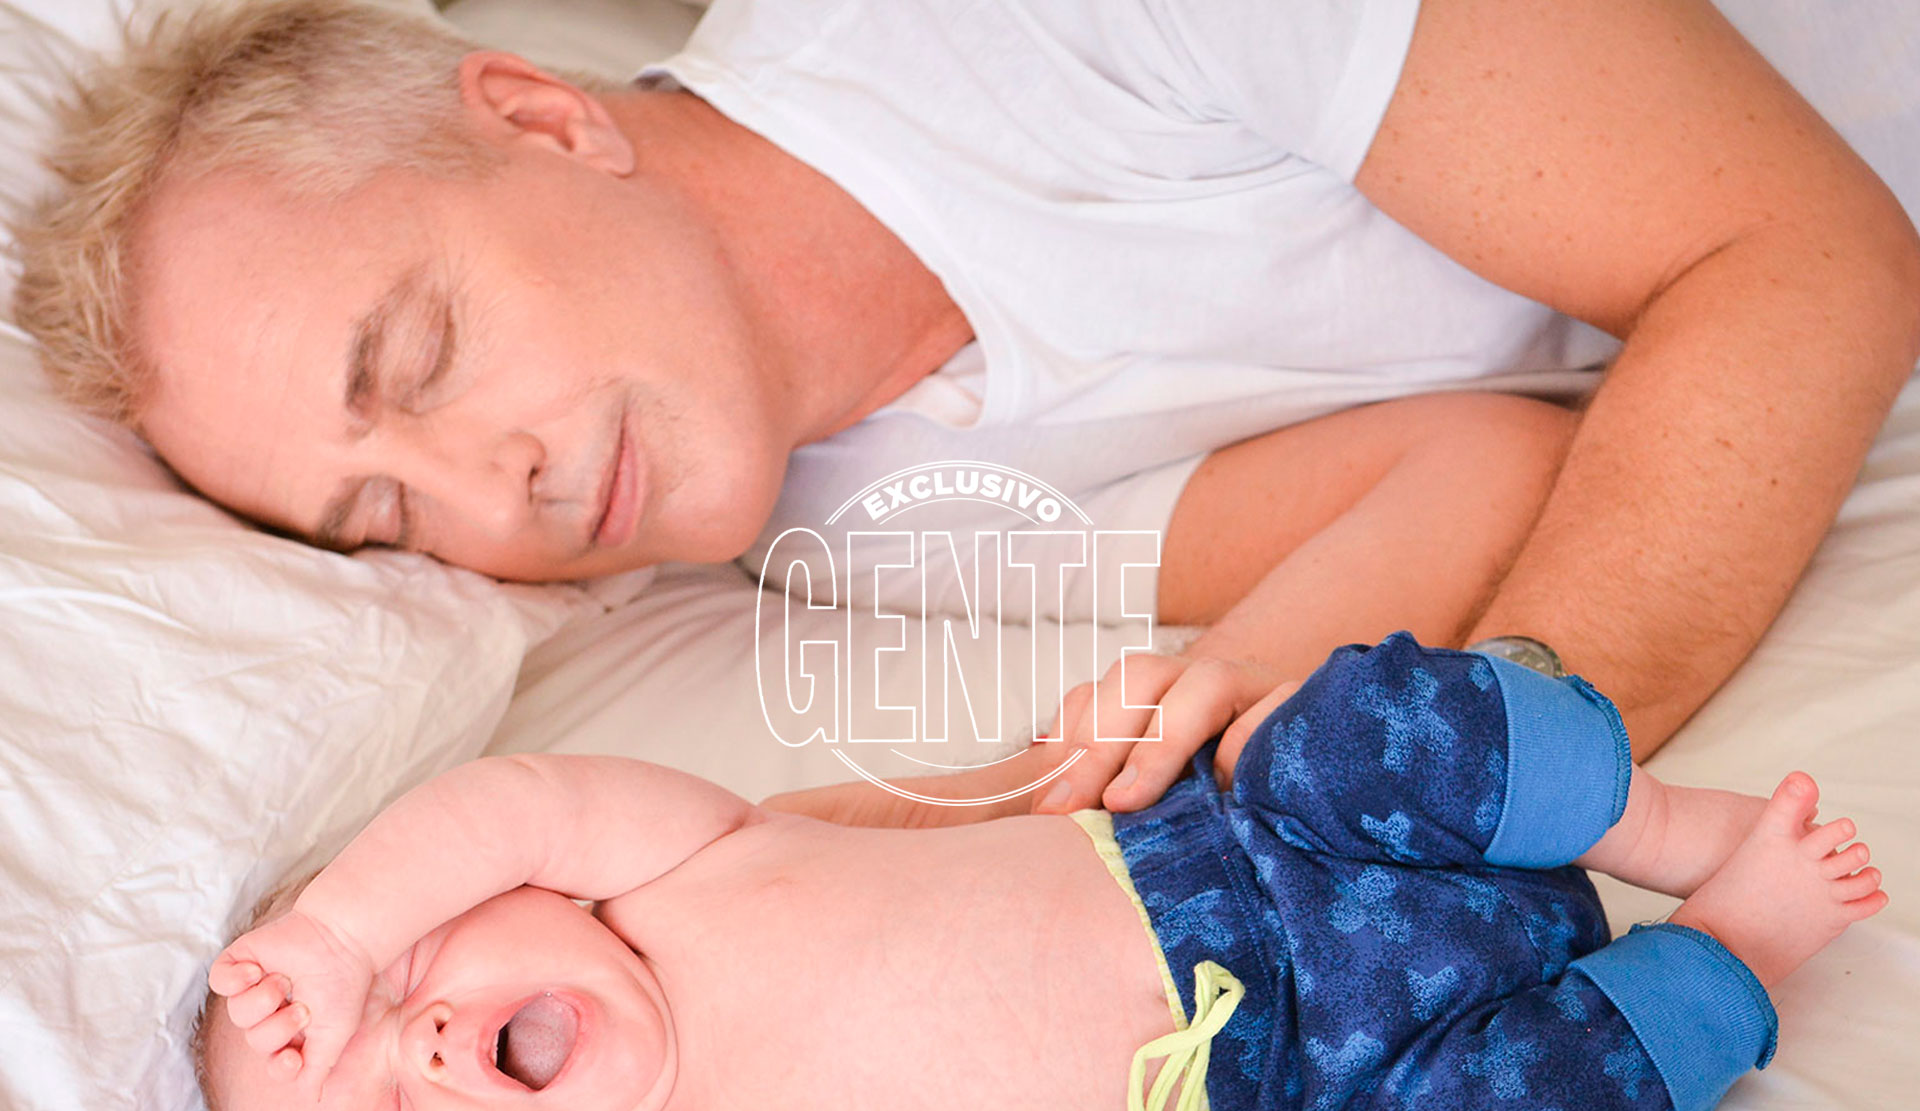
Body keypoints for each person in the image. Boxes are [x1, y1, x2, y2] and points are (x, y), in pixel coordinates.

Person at [14, 0, 1920, 791]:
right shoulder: (830, 532)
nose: (485, 490)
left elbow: (1800, 263)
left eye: (419, 360)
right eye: (386, 518)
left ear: (541, 115)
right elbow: (1473, 466)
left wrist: (1502, 783)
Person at [198, 635, 1885, 1111]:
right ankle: (1731, 947)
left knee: (1355, 721)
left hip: (1250, 839)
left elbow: (515, 797)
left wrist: (336, 932)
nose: (426, 1034)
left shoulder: (672, 861)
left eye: (407, 974)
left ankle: (1664, 829)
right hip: (1308, 1096)